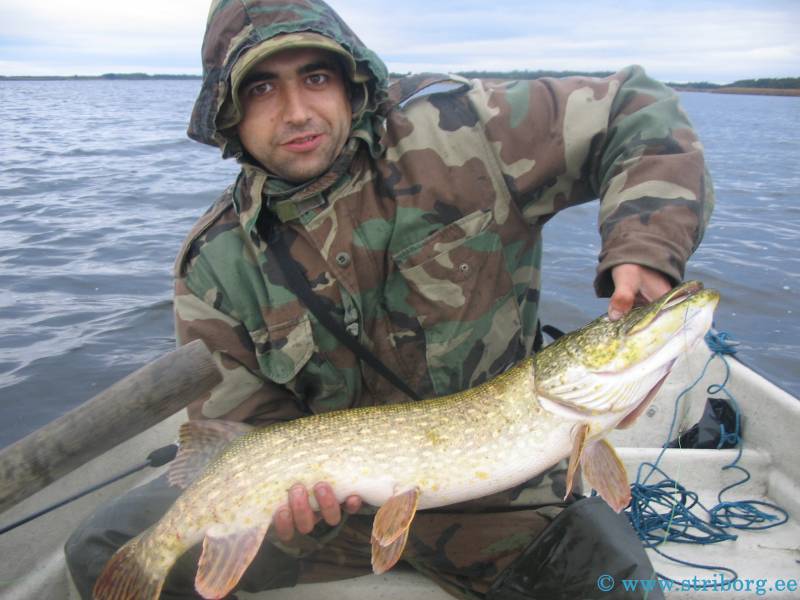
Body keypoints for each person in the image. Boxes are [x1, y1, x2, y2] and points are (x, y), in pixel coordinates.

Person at [65, 0, 713, 598]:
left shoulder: (464, 132)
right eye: (261, 88)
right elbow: (249, 428)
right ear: (228, 112)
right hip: (335, 520)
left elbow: (634, 107)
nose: (296, 111)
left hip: (510, 502)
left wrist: (646, 248)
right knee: (109, 547)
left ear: (351, 80)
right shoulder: (218, 264)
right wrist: (292, 508)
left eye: (316, 76)